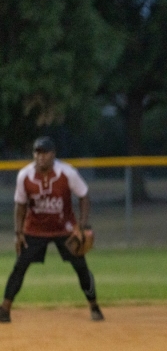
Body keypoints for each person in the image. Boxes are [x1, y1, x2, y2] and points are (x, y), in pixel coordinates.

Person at [0, 136, 103, 323]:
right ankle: (4, 310)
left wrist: (82, 224)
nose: (41, 157)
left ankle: (94, 306)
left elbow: (84, 195)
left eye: (45, 152)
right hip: (35, 228)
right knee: (19, 266)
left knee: (81, 267)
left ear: (53, 154)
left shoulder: (67, 173)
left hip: (64, 228)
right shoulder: (24, 176)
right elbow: (20, 205)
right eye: (37, 152)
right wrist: (18, 233)